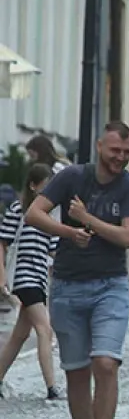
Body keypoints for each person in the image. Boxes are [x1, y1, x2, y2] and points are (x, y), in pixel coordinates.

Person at [24, 122, 129, 419]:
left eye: (126, 152)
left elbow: (128, 237)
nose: (120, 158)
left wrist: (86, 218)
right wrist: (68, 231)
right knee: (77, 373)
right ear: (99, 147)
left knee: (106, 363)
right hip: (67, 286)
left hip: (111, 286)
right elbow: (34, 213)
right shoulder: (73, 178)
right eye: (114, 151)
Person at [0, 164, 62, 401]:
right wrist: (2, 276)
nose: (49, 194)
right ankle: (52, 389)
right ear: (33, 186)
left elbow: (56, 254)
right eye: (45, 188)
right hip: (24, 279)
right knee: (45, 330)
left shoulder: (50, 216)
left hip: (39, 279)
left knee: (19, 335)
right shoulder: (18, 210)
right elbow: (2, 243)